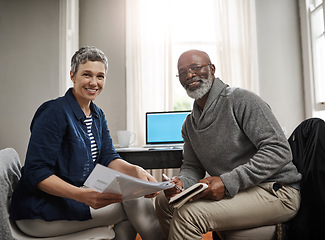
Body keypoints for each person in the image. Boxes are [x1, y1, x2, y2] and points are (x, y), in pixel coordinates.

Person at [10, 46, 163, 240]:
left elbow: (108, 156)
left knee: (133, 202)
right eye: (87, 75)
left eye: (100, 76)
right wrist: (82, 196)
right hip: (40, 212)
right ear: (73, 75)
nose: (94, 82)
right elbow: (37, 173)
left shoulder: (97, 114)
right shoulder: (54, 112)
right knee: (132, 204)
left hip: (71, 200)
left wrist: (135, 171)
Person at [155, 50, 302, 240]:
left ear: (212, 69)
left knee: (188, 215)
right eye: (182, 72)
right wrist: (181, 183)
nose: (189, 75)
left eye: (196, 67)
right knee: (162, 201)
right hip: (242, 189)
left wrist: (227, 182)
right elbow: (192, 167)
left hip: (277, 191)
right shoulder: (189, 124)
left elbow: (279, 150)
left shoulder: (242, 100)